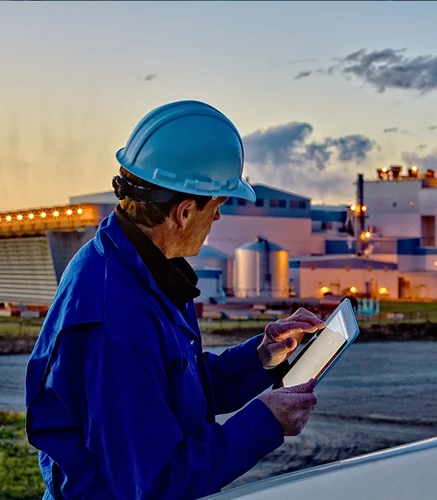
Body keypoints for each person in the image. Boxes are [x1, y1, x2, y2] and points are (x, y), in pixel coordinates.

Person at [24, 100, 325, 499]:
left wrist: (261, 356)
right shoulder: (112, 319)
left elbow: (173, 383)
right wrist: (265, 422)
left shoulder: (140, 268)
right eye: (217, 205)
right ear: (184, 212)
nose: (217, 218)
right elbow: (158, 483)